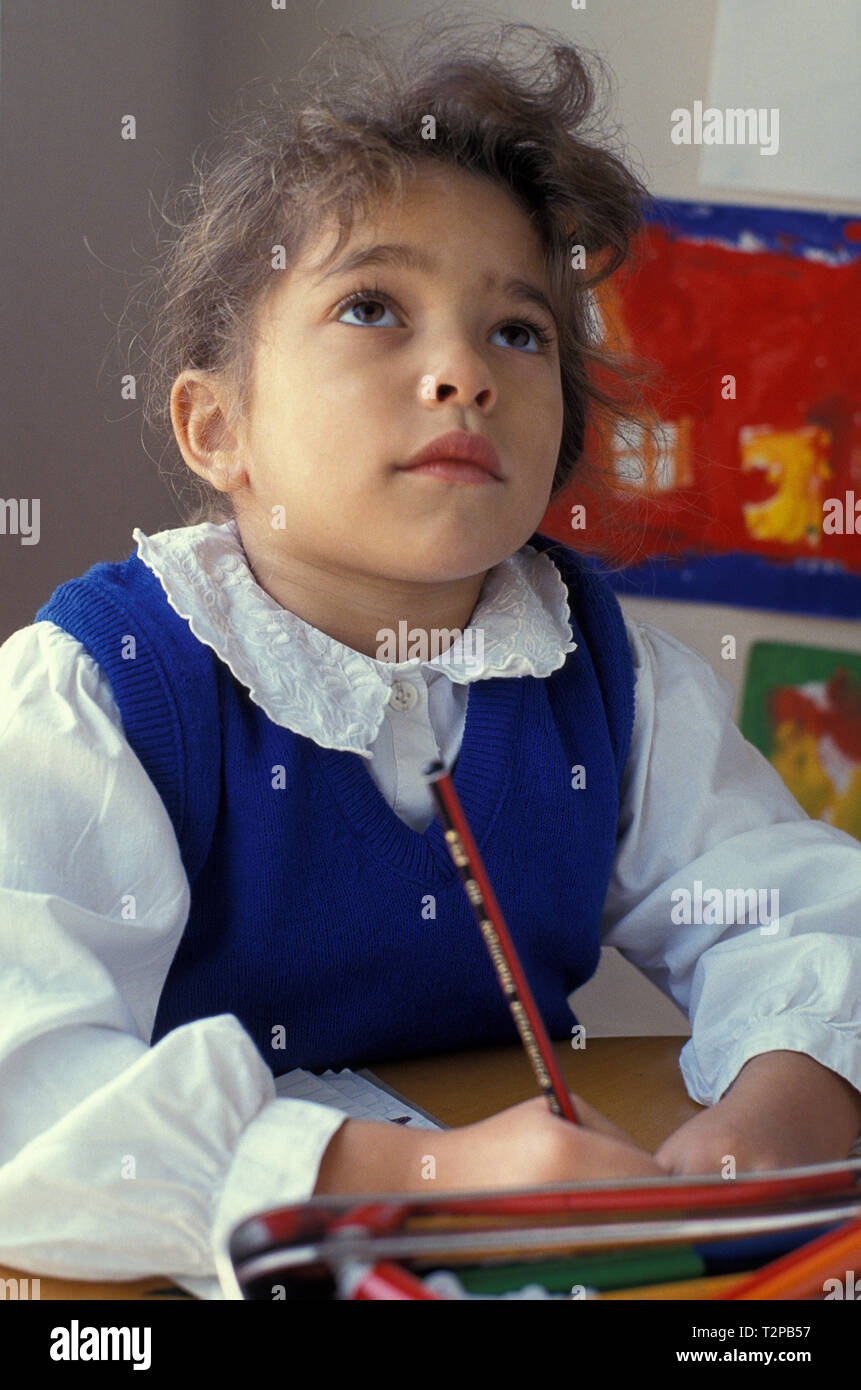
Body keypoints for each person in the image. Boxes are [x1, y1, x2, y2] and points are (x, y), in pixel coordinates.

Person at [1, 17, 860, 1301]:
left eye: (519, 332)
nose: (460, 369)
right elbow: (28, 1094)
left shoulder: (608, 678)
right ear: (216, 424)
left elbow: (793, 908)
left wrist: (782, 1115)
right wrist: (424, 1178)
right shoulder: (99, 694)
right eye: (372, 307)